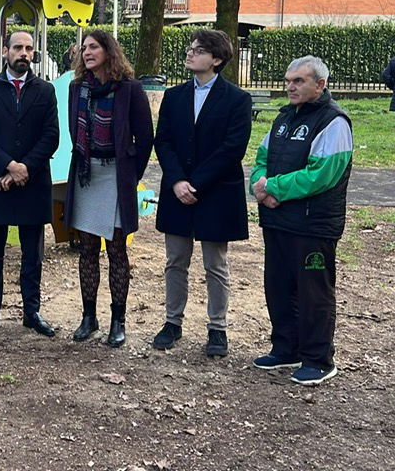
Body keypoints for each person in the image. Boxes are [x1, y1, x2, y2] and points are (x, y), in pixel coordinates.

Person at [250, 55, 353, 386]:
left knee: (313, 294)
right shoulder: (283, 119)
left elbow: (321, 176)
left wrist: (272, 187)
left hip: (313, 225)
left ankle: (318, 359)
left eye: (298, 81)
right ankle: (286, 348)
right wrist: (259, 186)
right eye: (288, 81)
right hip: (277, 219)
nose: (290, 87)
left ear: (320, 84)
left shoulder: (334, 122)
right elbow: (262, 159)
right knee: (278, 288)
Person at [151, 29, 252, 358]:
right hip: (177, 190)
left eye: (198, 50)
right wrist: (177, 181)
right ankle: (172, 322)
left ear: (217, 59)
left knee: (215, 264)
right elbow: (163, 141)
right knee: (175, 261)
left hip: (216, 192)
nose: (190, 54)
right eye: (190, 48)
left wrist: (197, 184)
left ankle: (217, 328)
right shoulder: (174, 96)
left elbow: (232, 148)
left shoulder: (237, 99)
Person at [64, 30, 154, 348]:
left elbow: (145, 138)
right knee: (87, 249)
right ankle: (89, 317)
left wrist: (130, 176)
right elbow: (74, 131)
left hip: (116, 176)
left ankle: (118, 320)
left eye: (94, 47)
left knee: (116, 250)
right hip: (86, 174)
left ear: (108, 51)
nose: (87, 52)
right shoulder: (77, 88)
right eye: (84, 48)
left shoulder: (129, 89)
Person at [0, 31, 60, 338]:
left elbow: (51, 137)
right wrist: (9, 166)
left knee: (32, 254)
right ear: (5, 51)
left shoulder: (45, 91)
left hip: (33, 183)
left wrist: (24, 169)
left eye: (29, 48)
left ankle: (31, 312)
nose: (24, 53)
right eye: (18, 47)